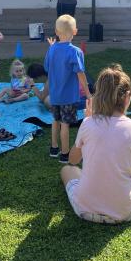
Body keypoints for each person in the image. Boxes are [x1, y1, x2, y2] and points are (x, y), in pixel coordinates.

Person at [60, 65, 131, 224]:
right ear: (128, 96)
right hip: (123, 213)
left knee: (68, 170)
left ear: (99, 96)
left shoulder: (88, 123)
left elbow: (73, 160)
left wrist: (88, 120)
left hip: (84, 209)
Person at [44, 15, 91, 163]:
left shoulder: (51, 50)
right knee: (65, 124)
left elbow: (47, 67)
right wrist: (88, 93)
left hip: (55, 96)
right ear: (75, 31)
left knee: (55, 121)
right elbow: (81, 74)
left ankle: (54, 148)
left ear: (56, 32)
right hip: (68, 97)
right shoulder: (75, 51)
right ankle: (65, 154)